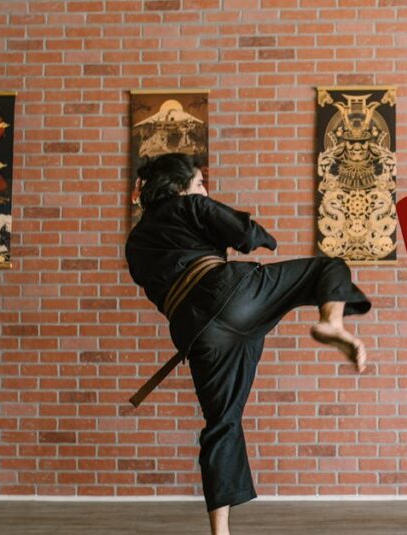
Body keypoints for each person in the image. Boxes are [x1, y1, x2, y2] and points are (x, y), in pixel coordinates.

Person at [124, 153, 371, 535]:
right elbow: (248, 235)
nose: (204, 190)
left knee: (221, 423)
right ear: (179, 188)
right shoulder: (190, 205)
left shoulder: (135, 242)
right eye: (199, 183)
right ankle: (331, 323)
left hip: (197, 332)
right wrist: (262, 237)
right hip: (232, 294)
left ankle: (220, 532)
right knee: (328, 267)